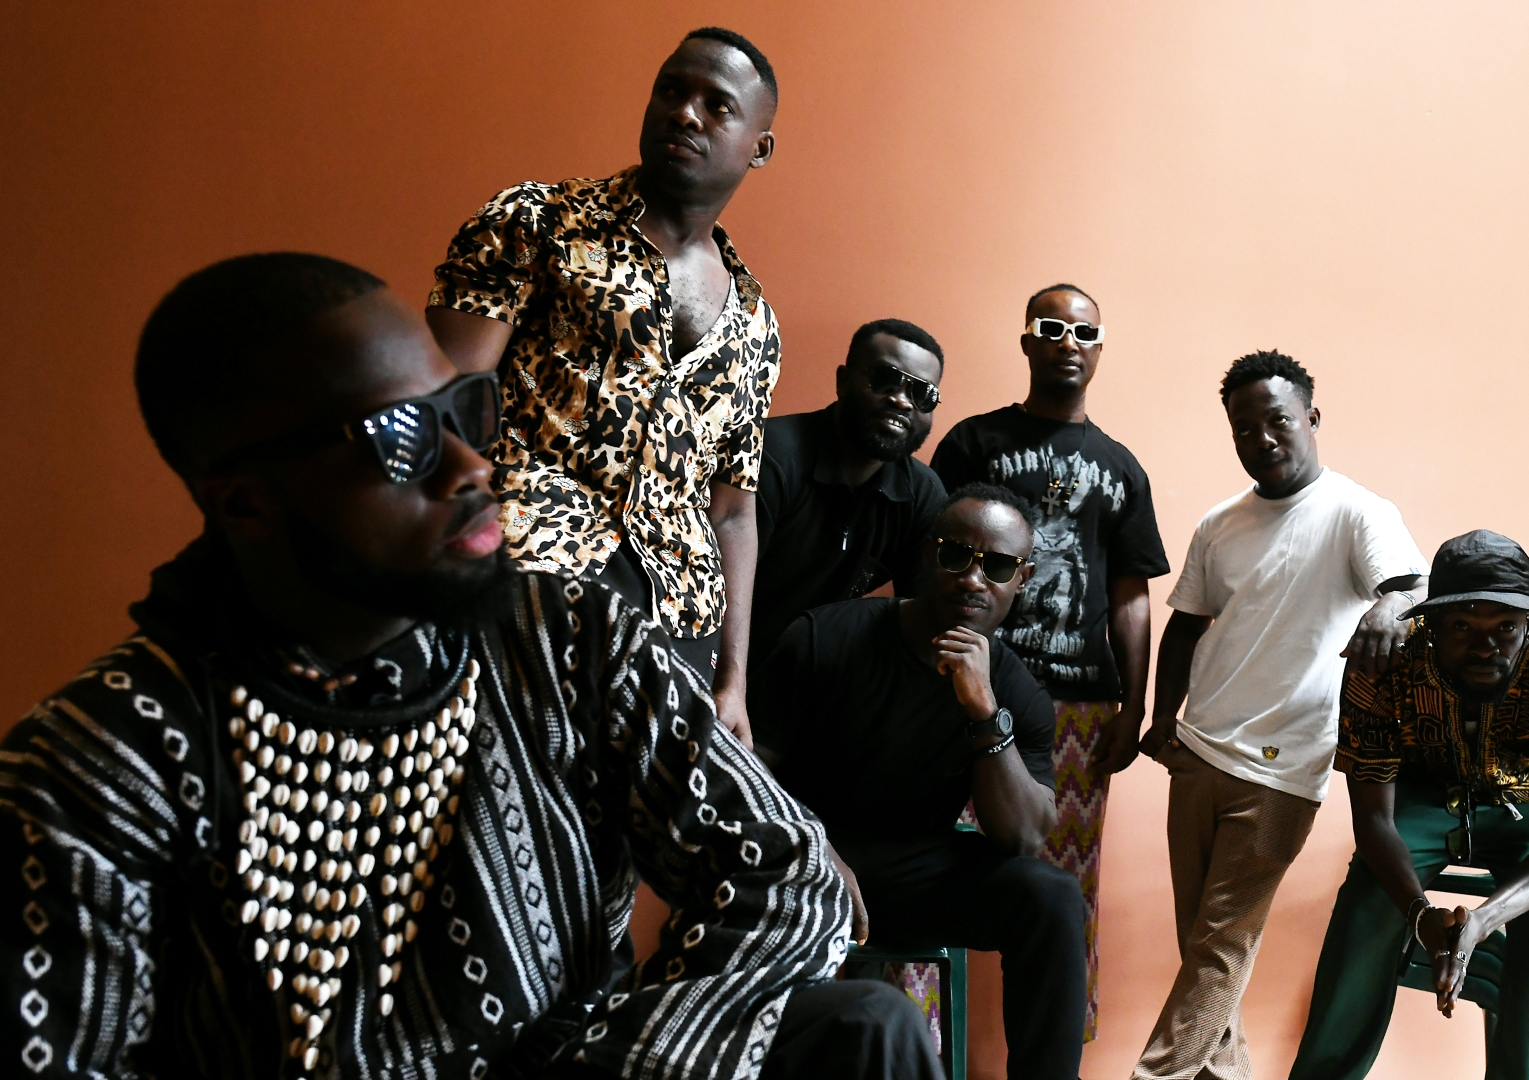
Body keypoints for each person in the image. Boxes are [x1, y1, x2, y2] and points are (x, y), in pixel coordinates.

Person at [0, 254, 942, 1080]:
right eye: (400, 437)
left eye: (463, 410)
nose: (470, 466)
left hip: (586, 1062)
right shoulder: (93, 768)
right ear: (246, 504)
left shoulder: (564, 634)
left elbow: (787, 873)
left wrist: (636, 1058)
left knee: (867, 1028)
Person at [426, 27, 783, 747]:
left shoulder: (756, 324)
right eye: (671, 90)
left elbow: (733, 512)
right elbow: (445, 410)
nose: (685, 113)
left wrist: (733, 681)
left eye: (717, 105)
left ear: (759, 147)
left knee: (626, 821)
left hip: (676, 624)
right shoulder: (538, 222)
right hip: (529, 579)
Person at [1131, 350, 1427, 1080]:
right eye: (1244, 427)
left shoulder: (1358, 512)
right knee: (1201, 942)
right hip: (1199, 751)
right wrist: (1163, 718)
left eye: (1278, 421)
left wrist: (1389, 605)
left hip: (1281, 768)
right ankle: (1223, 1074)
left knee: (1222, 944)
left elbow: (1414, 587)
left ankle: (1153, 1077)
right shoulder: (1220, 523)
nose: (1261, 438)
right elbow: (1184, 626)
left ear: (1312, 417)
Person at [751, 485, 1089, 1080]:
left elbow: (1023, 837)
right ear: (928, 555)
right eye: (956, 555)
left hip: (916, 873)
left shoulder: (1015, 691)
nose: (973, 579)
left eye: (998, 566)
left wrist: (985, 714)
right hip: (802, 861)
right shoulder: (825, 636)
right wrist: (810, 847)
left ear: (1022, 579)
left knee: (1051, 896)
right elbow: (747, 772)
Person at [929, 284, 1170, 1039]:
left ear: (1099, 348)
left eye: (1084, 331)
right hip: (968, 687)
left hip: (1079, 708)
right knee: (932, 862)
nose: (1069, 341)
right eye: (1051, 327)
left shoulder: (1121, 468)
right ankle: (910, 1044)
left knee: (1066, 883)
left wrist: (1135, 708)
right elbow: (929, 564)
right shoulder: (973, 443)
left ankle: (1057, 1046)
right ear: (1027, 340)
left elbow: (1131, 598)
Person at [1289, 530, 1529, 1080]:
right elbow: (1374, 819)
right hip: (1423, 797)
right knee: (1368, 899)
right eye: (1463, 626)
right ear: (1433, 623)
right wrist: (1420, 916)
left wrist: (1484, 920)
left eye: (1506, 627)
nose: (1486, 646)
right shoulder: (1382, 666)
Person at [746, 318, 948, 685]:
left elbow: (925, 617)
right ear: (843, 381)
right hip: (725, 666)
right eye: (886, 380)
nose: (902, 401)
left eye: (922, 394)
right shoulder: (771, 459)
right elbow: (712, 597)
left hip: (814, 682)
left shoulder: (922, 495)